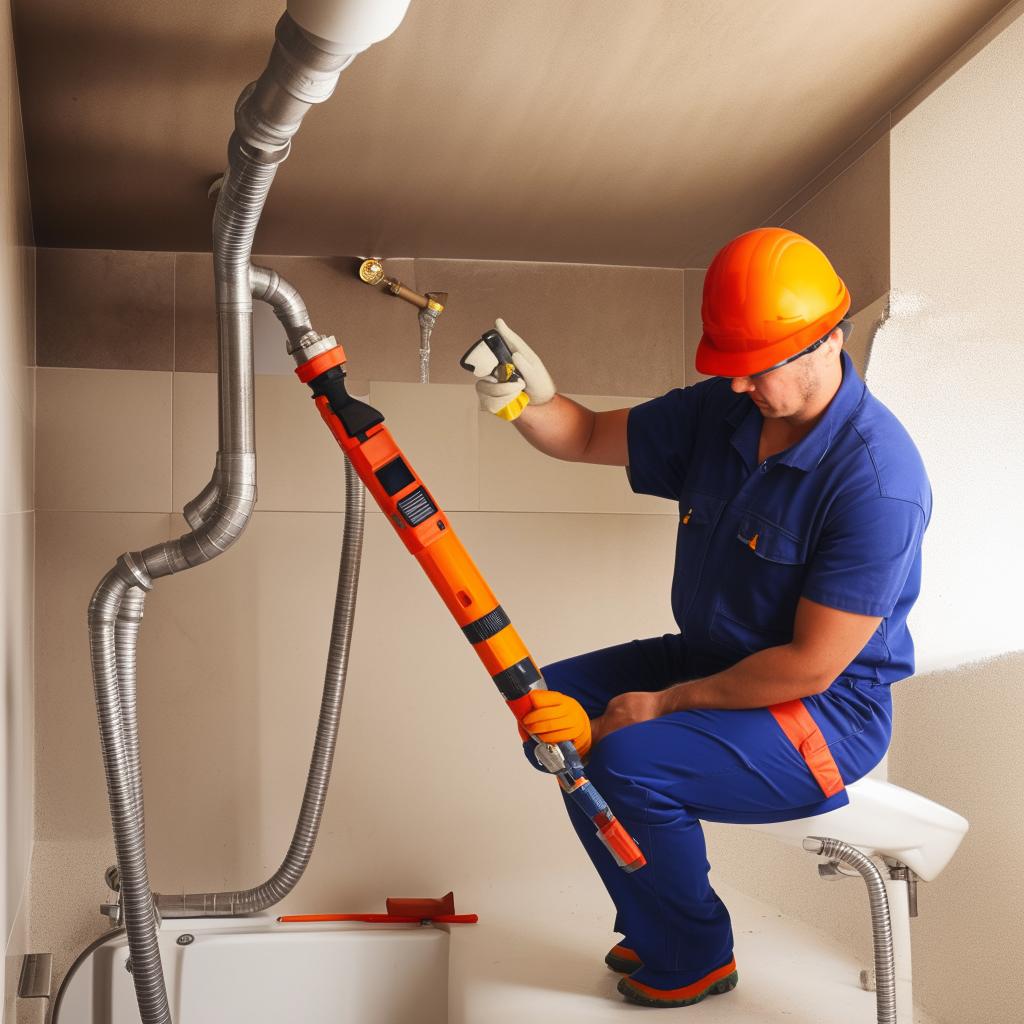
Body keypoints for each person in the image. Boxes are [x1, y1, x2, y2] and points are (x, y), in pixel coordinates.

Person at [475, 227, 931, 1008]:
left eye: (754, 370)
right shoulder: (724, 414)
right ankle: (655, 915)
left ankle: (691, 954)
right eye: (730, 369)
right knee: (546, 712)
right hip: (716, 657)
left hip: (822, 713)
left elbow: (810, 665)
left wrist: (662, 702)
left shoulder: (876, 481)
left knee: (624, 758)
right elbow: (583, 434)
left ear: (826, 341)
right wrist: (525, 401)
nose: (738, 386)